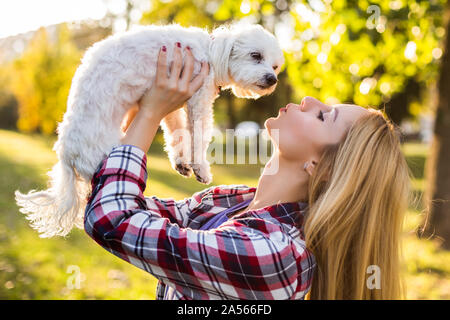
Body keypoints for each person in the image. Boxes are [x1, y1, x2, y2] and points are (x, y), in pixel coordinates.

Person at [84, 43, 412, 300]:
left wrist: (153, 112)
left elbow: (110, 220)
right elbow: (106, 199)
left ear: (320, 168)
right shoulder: (232, 202)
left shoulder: (276, 257)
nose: (310, 100)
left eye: (324, 116)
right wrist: (140, 106)